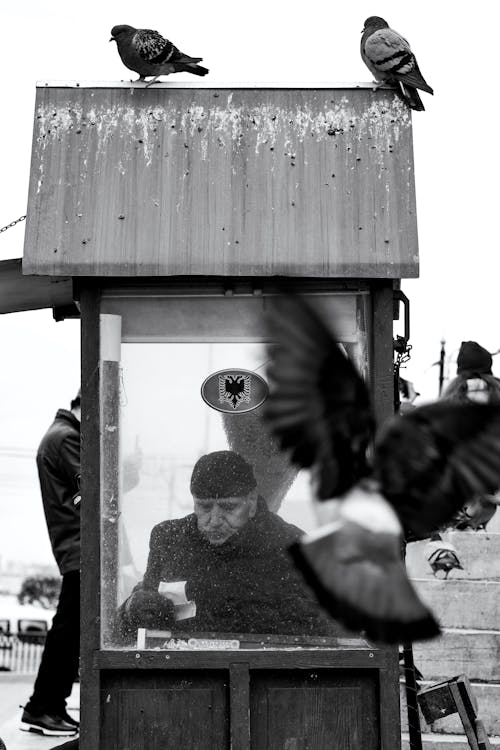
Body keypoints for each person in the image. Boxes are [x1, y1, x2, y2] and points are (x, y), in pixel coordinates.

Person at [118, 450, 340, 640]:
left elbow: (327, 628)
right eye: (204, 507)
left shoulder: (291, 548)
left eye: (228, 508)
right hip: (182, 674)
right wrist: (131, 611)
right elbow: (130, 625)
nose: (214, 521)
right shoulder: (169, 539)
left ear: (251, 502)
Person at [20, 391, 82, 737]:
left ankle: (46, 705)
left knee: (69, 627)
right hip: (81, 546)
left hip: (76, 546)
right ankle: (44, 706)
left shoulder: (61, 435)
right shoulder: (67, 438)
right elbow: (95, 491)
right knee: (68, 629)